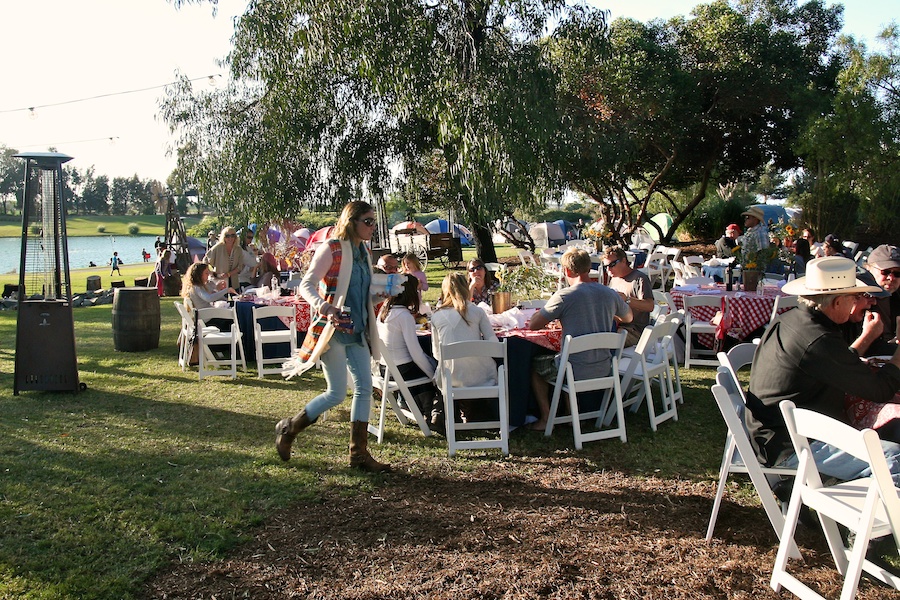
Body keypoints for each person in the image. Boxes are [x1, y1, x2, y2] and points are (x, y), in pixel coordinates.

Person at [744, 256, 900, 486]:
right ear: (837, 302)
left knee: (888, 432)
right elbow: (880, 390)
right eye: (856, 297)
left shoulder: (794, 320)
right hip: (791, 447)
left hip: (775, 435)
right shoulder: (818, 338)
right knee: (893, 457)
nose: (868, 303)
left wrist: (866, 338)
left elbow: (835, 365)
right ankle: (879, 520)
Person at [275, 201, 391, 472]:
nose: (372, 227)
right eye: (368, 221)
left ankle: (358, 454)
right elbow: (307, 284)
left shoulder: (364, 250)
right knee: (337, 393)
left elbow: (361, 292)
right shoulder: (332, 248)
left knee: (364, 388)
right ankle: (290, 429)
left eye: (373, 221)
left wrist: (380, 295)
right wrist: (324, 306)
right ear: (352, 222)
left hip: (359, 329)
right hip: (335, 330)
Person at [527, 248, 632, 431]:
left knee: (538, 366)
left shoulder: (565, 296)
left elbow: (534, 324)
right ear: (589, 267)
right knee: (568, 356)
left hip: (573, 370)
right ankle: (571, 415)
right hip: (604, 366)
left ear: (567, 271)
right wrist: (610, 315)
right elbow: (629, 317)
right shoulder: (608, 293)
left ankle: (545, 417)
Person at [431, 272, 499, 423]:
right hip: (482, 377)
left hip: (451, 378)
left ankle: (450, 412)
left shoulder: (436, 316)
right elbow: (494, 346)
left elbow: (437, 354)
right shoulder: (477, 311)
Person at [376, 274, 440, 426]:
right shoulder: (404, 316)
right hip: (400, 370)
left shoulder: (385, 309)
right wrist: (434, 375)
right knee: (431, 367)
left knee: (426, 364)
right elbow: (416, 354)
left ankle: (414, 406)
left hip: (385, 369)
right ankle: (428, 412)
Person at [602, 246, 652, 347]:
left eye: (612, 265)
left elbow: (650, 306)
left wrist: (627, 299)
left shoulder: (639, 279)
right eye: (606, 267)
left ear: (624, 261)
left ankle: (611, 362)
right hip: (616, 324)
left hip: (634, 330)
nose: (608, 269)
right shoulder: (614, 279)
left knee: (603, 342)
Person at [865, 244, 900, 352]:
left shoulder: (896, 296)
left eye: (897, 273)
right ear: (868, 269)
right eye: (885, 272)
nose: (891, 278)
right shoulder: (856, 300)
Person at [205, 226, 245, 291]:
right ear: (223, 237)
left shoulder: (238, 249)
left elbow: (240, 266)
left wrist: (229, 274)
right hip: (219, 282)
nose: (230, 238)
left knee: (236, 298)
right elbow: (205, 262)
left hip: (234, 282)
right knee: (222, 300)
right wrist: (213, 274)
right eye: (227, 236)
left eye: (232, 235)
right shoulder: (217, 248)